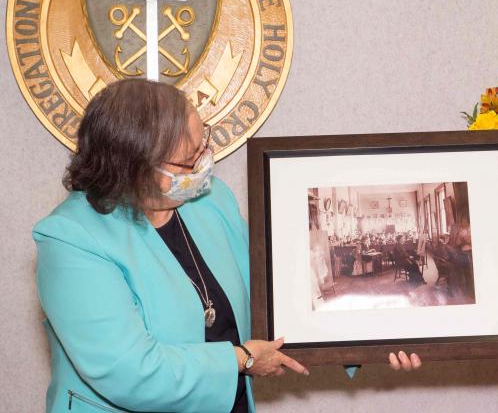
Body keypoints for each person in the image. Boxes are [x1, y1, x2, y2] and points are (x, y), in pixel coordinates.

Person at [33, 79, 421, 413]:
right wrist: (243, 359)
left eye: (203, 147)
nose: (204, 165)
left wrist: (368, 337)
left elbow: (270, 295)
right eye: (189, 161)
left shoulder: (210, 200)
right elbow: (129, 369)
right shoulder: (71, 240)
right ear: (133, 168)